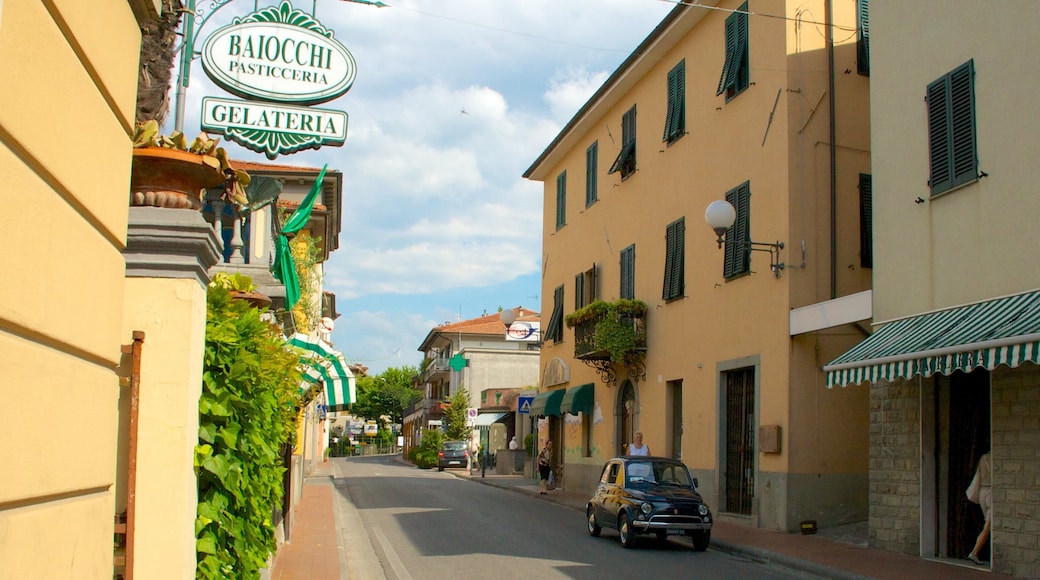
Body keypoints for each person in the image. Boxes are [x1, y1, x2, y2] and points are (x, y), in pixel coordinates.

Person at [966, 451, 992, 565]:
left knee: (988, 524)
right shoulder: (996, 457)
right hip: (991, 492)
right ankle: (975, 552)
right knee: (988, 526)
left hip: (982, 491)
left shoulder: (983, 457)